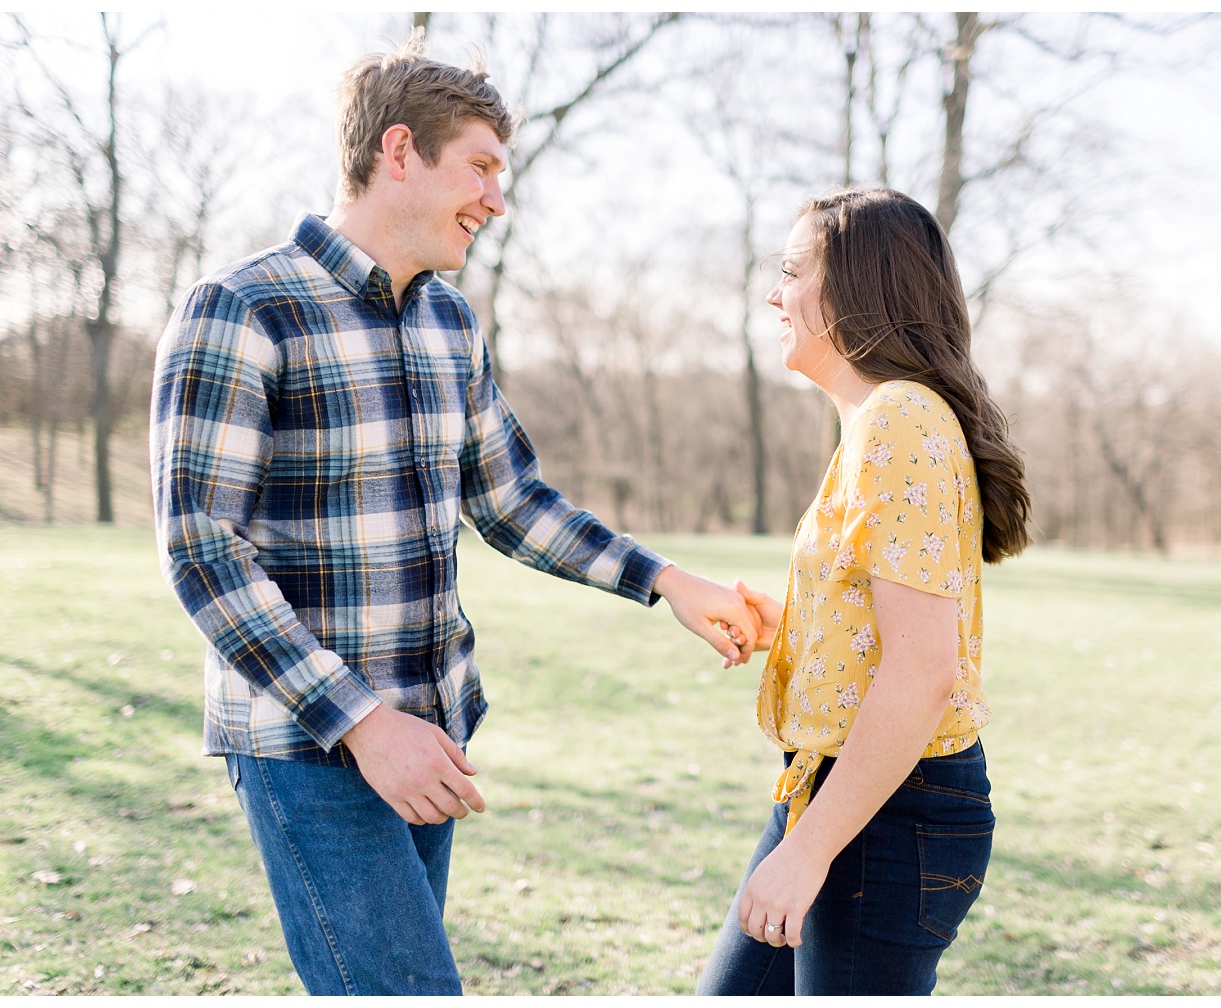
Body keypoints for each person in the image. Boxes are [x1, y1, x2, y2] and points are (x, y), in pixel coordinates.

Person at [149, 31, 755, 997]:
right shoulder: (242, 308)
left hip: (434, 734)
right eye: (478, 166)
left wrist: (668, 582)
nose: (496, 198)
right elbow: (201, 551)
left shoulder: (448, 322)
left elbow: (511, 500)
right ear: (399, 153)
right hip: (313, 742)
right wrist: (360, 725)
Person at [696, 188, 1032, 996]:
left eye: (792, 271)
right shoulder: (885, 419)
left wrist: (809, 852)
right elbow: (890, 628)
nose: (775, 294)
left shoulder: (900, 421)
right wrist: (794, 626)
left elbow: (924, 672)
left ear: (855, 285)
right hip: (839, 792)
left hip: (886, 817)